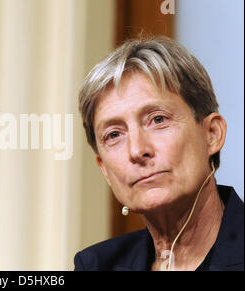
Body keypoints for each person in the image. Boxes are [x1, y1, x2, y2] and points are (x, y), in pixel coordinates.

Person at [74, 36, 243, 271]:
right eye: (114, 135)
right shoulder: (95, 265)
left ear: (212, 134)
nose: (137, 150)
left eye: (158, 119)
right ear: (104, 169)